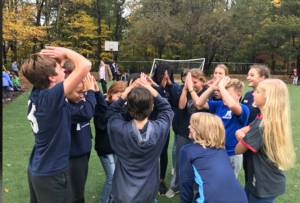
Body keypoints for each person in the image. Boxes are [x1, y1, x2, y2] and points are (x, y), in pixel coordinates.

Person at [21, 46, 91, 203]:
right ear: (51, 78)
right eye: (61, 69)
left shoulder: (39, 91)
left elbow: (38, 69)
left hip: (40, 168)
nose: (64, 71)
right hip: (50, 174)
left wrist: (58, 60)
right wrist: (66, 52)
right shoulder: (51, 97)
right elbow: (85, 65)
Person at [106, 74, 174, 203]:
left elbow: (112, 112)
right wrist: (152, 89)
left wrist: (125, 93)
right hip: (148, 192)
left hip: (123, 192)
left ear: (128, 107)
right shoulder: (160, 128)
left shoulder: (118, 129)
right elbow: (167, 109)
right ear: (152, 107)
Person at [235, 79, 296, 203]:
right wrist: (240, 134)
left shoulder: (261, 126)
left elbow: (238, 150)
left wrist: (243, 137)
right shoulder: (263, 118)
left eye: (257, 92)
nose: (253, 94)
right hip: (258, 178)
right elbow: (242, 130)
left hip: (264, 183)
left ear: (268, 98)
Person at [180, 112, 248, 203]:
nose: (189, 126)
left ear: (201, 130)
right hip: (241, 198)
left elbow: (185, 184)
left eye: (192, 125)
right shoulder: (222, 151)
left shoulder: (187, 150)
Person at [165, 69, 209, 199]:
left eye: (195, 82)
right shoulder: (188, 91)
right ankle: (175, 186)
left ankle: (196, 190)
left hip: (201, 133)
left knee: (197, 163)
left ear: (202, 81)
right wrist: (185, 89)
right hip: (184, 131)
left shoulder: (206, 93)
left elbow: (200, 106)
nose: (192, 85)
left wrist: (191, 89)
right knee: (180, 160)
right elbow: (181, 106)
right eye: (190, 82)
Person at [196, 77, 250, 178]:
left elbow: (233, 106)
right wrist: (212, 87)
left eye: (228, 94)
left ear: (239, 96)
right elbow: (199, 103)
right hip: (216, 151)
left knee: (228, 184)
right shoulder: (219, 105)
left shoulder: (243, 109)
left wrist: (221, 86)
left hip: (232, 154)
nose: (224, 97)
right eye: (223, 93)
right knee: (215, 180)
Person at [65, 61, 97, 203]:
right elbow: (86, 114)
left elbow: (99, 109)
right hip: (73, 156)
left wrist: (94, 91)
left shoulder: (79, 101)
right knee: (76, 195)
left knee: (79, 188)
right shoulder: (64, 106)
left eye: (83, 92)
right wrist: (90, 92)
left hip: (83, 151)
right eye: (79, 92)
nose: (82, 95)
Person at [94, 81, 127, 203]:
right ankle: (103, 201)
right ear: (111, 92)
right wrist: (116, 107)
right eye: (119, 97)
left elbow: (125, 119)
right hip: (104, 147)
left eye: (123, 97)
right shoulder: (102, 103)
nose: (121, 100)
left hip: (116, 147)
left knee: (117, 176)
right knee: (111, 176)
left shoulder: (121, 106)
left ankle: (112, 200)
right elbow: (100, 125)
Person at [240, 65, 270, 185]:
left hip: (259, 142)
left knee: (258, 174)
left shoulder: (268, 97)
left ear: (262, 78)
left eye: (252, 75)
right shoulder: (247, 95)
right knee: (247, 169)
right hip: (245, 139)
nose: (248, 77)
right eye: (248, 75)